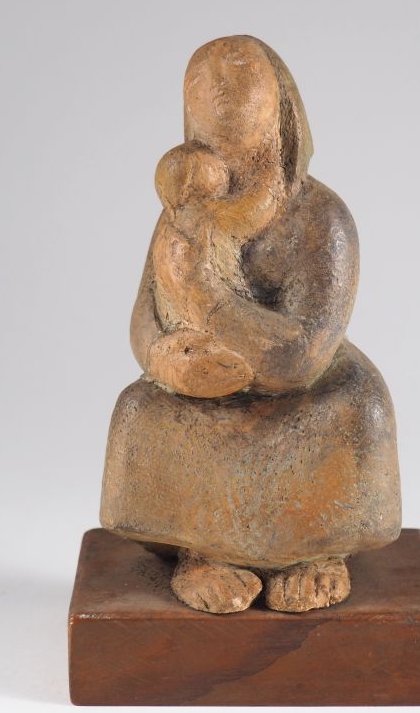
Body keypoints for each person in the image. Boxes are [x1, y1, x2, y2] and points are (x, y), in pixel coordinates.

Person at [101, 36, 401, 614]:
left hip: (300, 390)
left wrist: (208, 298)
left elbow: (304, 356)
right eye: (215, 149)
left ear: (281, 129)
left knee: (357, 408)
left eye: (247, 151)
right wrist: (164, 359)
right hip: (204, 387)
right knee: (142, 407)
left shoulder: (322, 218)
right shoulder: (181, 218)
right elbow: (144, 317)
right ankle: (202, 553)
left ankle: (315, 553)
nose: (228, 175)